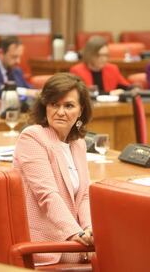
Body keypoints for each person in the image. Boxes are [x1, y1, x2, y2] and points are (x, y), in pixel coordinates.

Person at [13, 73, 94, 265]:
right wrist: (77, 233)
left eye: (68, 106)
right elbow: (47, 195)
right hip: (46, 243)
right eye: (54, 104)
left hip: (76, 237)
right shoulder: (32, 137)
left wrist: (90, 228)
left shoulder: (78, 143)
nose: (60, 112)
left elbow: (83, 195)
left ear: (81, 110)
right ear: (45, 106)